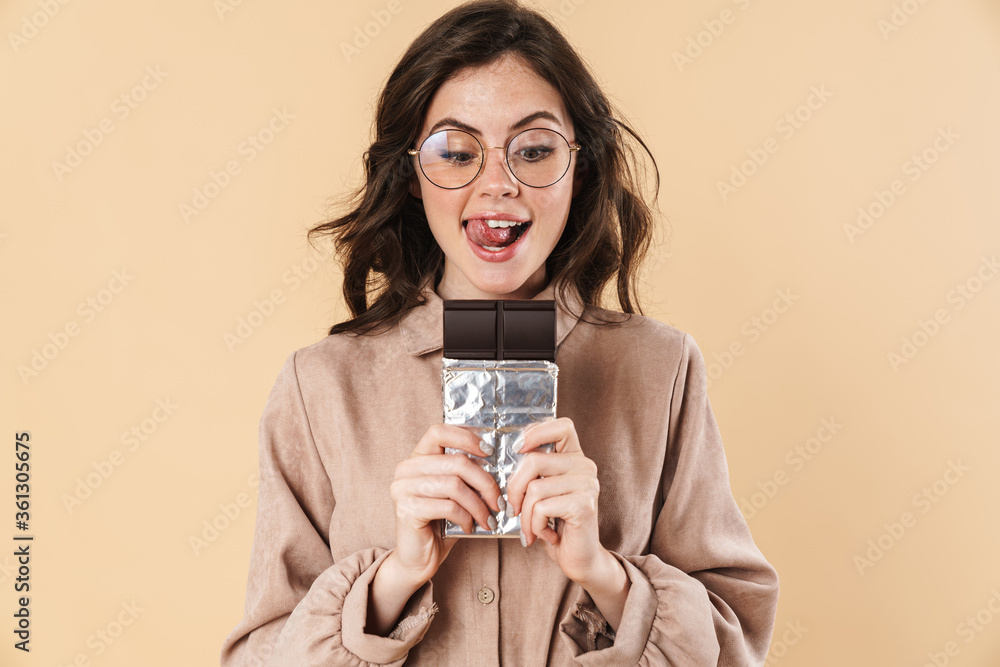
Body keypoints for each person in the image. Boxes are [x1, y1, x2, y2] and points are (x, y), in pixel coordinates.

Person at [220, 1, 779, 664]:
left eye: (534, 150)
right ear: (410, 176)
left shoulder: (661, 369)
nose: (498, 185)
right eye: (456, 152)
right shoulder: (320, 386)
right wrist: (394, 576)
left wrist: (602, 569)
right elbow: (258, 654)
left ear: (581, 166)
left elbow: (737, 644)